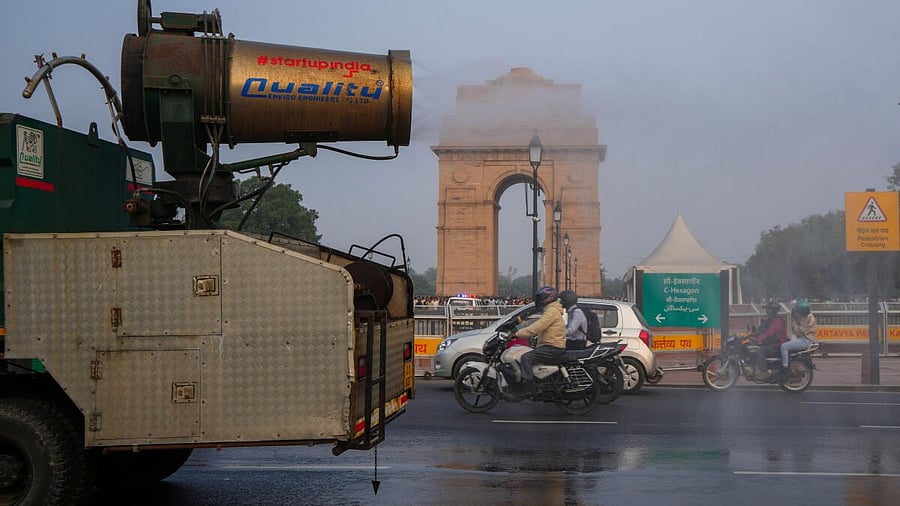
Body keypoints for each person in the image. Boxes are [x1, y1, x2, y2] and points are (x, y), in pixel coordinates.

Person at [510, 286, 567, 388]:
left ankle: (528, 386)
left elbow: (536, 328)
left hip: (552, 347)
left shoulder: (552, 311)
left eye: (541, 298)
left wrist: (517, 334)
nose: (539, 300)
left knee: (526, 357)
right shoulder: (551, 310)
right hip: (551, 345)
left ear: (549, 298)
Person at [779, 299, 817, 377]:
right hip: (802, 338)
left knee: (784, 347)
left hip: (807, 340)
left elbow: (798, 331)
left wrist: (794, 322)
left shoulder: (810, 319)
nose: (796, 313)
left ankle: (785, 368)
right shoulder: (804, 317)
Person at [751, 298, 788, 376]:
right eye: (767, 309)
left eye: (768, 309)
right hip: (771, 343)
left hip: (777, 345)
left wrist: (758, 339)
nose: (767, 311)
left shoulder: (778, 320)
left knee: (759, 351)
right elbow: (763, 331)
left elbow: (769, 332)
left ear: (774, 310)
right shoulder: (770, 320)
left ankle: (763, 372)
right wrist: (753, 335)